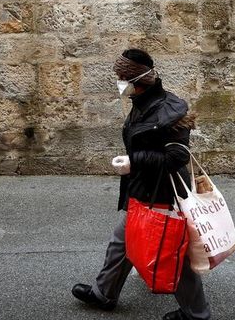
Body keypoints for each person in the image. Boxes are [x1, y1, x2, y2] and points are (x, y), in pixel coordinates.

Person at [71, 49, 211, 320]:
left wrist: (133, 162)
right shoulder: (140, 102)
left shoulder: (169, 109)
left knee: (174, 253)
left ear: (140, 79)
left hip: (163, 192)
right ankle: (104, 294)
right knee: (121, 243)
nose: (120, 82)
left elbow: (178, 156)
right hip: (141, 189)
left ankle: (196, 313)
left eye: (124, 77)